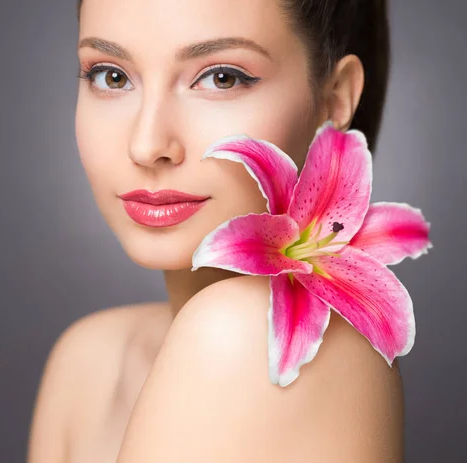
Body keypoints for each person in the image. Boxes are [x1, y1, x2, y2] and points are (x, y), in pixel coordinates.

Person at [27, 0, 404, 461]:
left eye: (221, 77)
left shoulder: (251, 336)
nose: (147, 146)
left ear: (335, 99)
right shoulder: (89, 355)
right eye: (111, 75)